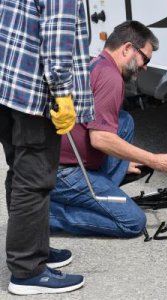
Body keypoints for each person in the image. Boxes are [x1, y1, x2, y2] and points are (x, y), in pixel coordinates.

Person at [49, 20, 167, 238]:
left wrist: (123, 160)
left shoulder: (96, 63)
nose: (145, 66)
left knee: (124, 121)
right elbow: (100, 139)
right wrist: (154, 160)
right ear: (128, 48)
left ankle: (101, 195)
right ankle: (48, 215)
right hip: (64, 174)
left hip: (60, 162)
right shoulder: (111, 78)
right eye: (145, 58)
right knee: (132, 221)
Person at [0, 0, 94, 295]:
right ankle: (27, 271)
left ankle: (33, 247)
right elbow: (56, 35)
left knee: (20, 171)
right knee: (34, 179)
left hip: (8, 85)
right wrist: (61, 92)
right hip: (33, 92)